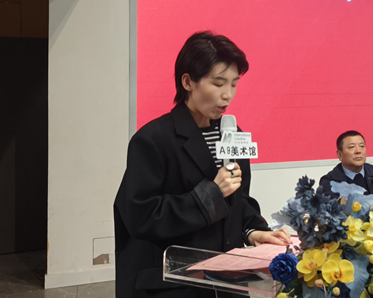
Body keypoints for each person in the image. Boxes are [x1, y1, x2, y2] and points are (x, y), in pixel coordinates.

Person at [114, 32, 291, 298]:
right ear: (188, 82)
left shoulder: (233, 134)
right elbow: (141, 217)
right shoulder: (152, 140)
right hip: (174, 283)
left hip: (228, 280)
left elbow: (238, 200)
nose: (228, 95)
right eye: (218, 83)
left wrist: (253, 231)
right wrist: (210, 194)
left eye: (234, 84)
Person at [319, 130, 373, 201]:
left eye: (361, 146)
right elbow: (336, 210)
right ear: (340, 154)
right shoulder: (329, 182)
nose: (358, 151)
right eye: (351, 147)